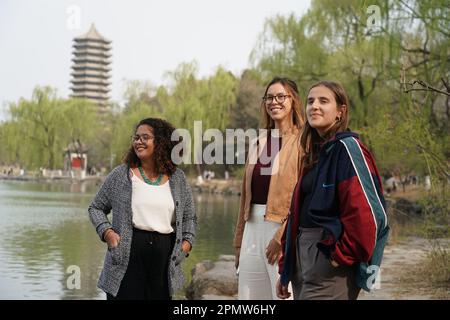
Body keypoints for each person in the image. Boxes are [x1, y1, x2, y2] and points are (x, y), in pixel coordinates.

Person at [277, 81, 389, 300]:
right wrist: (286, 270)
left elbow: (371, 216)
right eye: (310, 101)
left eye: (323, 101)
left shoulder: (349, 149)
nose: (314, 106)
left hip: (330, 267)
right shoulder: (316, 155)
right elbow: (297, 215)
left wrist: (341, 256)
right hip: (303, 262)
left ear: (340, 111)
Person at [88, 118, 197, 300]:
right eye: (136, 137)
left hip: (164, 258)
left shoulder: (178, 179)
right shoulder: (121, 175)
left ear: (161, 142)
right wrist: (108, 233)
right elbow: (96, 208)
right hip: (127, 255)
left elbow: (189, 218)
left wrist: (186, 245)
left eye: (145, 137)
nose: (139, 141)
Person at [233, 77, 304, 299]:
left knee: (283, 295)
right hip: (251, 229)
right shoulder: (259, 141)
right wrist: (238, 244)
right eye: (269, 97)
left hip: (281, 228)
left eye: (280, 96)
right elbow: (245, 197)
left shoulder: (304, 141)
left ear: (293, 100)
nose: (274, 102)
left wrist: (281, 237)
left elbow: (303, 194)